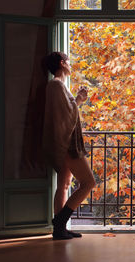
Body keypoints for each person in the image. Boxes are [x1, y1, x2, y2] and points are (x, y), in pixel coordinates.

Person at [42, 52, 96, 240]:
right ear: (62, 63)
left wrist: (77, 99)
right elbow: (65, 116)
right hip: (67, 144)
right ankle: (59, 221)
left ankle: (59, 230)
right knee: (89, 183)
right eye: (68, 61)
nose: (70, 65)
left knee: (64, 185)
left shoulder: (58, 86)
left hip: (64, 142)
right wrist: (80, 99)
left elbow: (66, 112)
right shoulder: (56, 85)